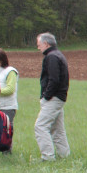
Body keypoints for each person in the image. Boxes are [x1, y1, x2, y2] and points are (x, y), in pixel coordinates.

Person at [34, 33, 71, 161]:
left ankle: (47, 157)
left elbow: (53, 79)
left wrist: (46, 96)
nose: (38, 48)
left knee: (40, 126)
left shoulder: (51, 57)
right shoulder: (58, 55)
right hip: (60, 97)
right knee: (58, 129)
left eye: (39, 45)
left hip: (53, 98)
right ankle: (64, 155)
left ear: (46, 44)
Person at [0, 48, 19, 127]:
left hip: (7, 107)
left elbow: (10, 89)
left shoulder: (10, 71)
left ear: (3, 60)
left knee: (5, 131)